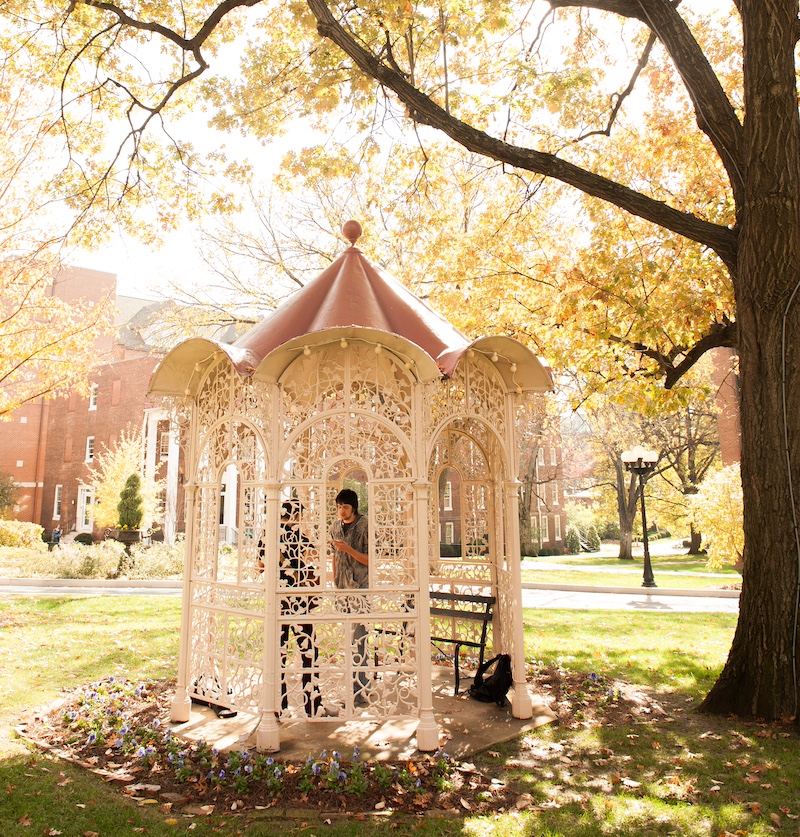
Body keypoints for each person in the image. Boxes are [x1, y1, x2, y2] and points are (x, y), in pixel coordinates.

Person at [274, 501, 322, 718]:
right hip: (298, 601)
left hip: (276, 603)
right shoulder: (297, 535)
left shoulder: (268, 535)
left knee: (279, 653)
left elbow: (260, 566)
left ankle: (279, 705)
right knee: (309, 652)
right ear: (296, 515)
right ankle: (312, 705)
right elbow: (313, 558)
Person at [330, 488, 370, 706]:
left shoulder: (364, 526)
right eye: (338, 507)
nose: (341, 511)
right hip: (343, 589)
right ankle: (358, 685)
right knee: (348, 641)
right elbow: (334, 556)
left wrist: (348, 549)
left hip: (360, 589)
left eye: (345, 507)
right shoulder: (335, 527)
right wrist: (335, 582)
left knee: (359, 640)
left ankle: (359, 689)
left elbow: (370, 560)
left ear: (353, 507)